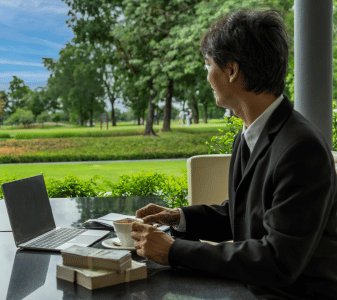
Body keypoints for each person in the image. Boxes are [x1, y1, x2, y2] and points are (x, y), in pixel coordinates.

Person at [131, 8, 337, 299]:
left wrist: (174, 250)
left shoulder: (301, 149)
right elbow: (241, 214)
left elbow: (278, 260)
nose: (207, 76)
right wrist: (178, 217)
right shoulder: (250, 132)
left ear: (231, 70)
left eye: (208, 64)